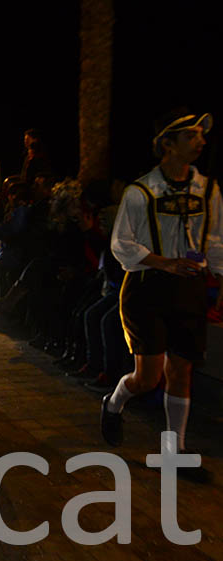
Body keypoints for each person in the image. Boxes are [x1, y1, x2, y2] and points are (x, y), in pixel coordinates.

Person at [101, 110, 223, 483]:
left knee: (182, 370)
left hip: (189, 288)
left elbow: (216, 239)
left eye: (201, 135)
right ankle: (114, 401)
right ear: (166, 145)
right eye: (191, 135)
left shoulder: (209, 190)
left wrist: (217, 277)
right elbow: (121, 243)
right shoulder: (141, 192)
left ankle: (174, 451)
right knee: (148, 377)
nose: (200, 140)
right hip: (146, 287)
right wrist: (164, 263)